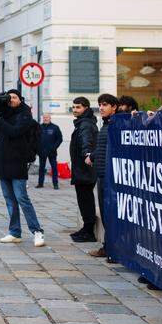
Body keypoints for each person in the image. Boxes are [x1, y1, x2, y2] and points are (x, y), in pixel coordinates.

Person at [0, 90, 44, 247]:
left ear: (20, 99)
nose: (11, 99)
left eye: (14, 97)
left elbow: (14, 132)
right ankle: (14, 232)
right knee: (9, 199)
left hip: (17, 161)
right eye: (9, 97)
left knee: (22, 198)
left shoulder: (25, 115)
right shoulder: (3, 114)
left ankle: (37, 231)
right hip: (2, 162)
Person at [86, 94, 118, 258]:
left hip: (110, 177)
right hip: (102, 174)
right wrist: (92, 156)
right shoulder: (106, 125)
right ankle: (108, 247)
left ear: (114, 107)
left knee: (110, 214)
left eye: (105, 104)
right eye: (100, 104)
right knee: (106, 214)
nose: (101, 107)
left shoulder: (116, 124)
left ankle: (112, 249)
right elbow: (103, 147)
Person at [68, 97, 98, 243]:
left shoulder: (85, 124)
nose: (75, 110)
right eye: (73, 107)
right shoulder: (83, 122)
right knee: (84, 200)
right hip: (82, 169)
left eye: (78, 107)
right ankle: (86, 229)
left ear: (86, 108)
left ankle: (89, 231)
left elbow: (87, 141)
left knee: (86, 201)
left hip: (85, 170)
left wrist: (87, 153)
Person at [36, 114, 62, 190]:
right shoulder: (39, 127)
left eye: (47, 117)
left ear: (50, 118)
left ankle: (55, 184)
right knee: (41, 168)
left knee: (54, 168)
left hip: (52, 152)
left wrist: (54, 147)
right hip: (42, 151)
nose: (45, 119)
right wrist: (37, 149)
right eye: (44, 117)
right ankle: (40, 184)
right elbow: (35, 139)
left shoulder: (55, 127)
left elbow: (59, 139)